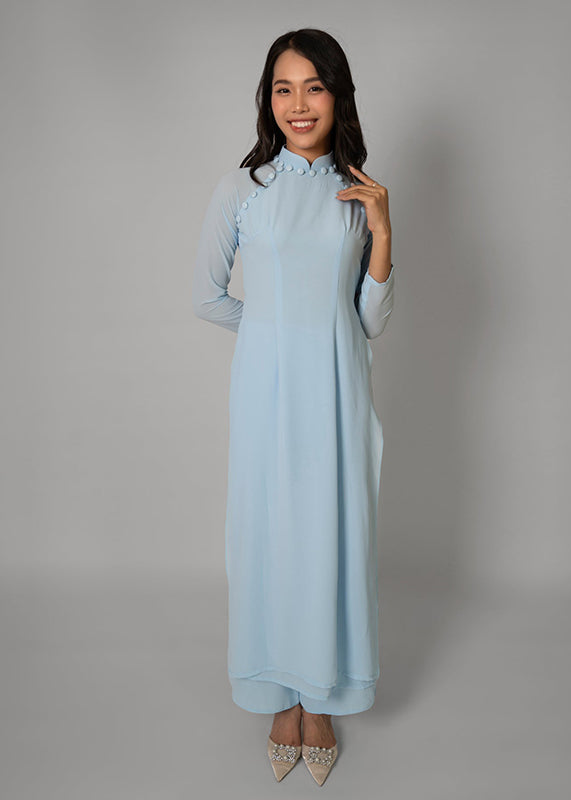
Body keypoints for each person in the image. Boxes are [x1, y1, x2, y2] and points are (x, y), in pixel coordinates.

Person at [192, 28, 395, 785]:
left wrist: (382, 230)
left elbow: (369, 319)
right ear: (267, 100)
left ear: (337, 95)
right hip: (267, 393)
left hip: (339, 390)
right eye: (284, 88)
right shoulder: (243, 189)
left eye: (314, 86)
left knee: (331, 535)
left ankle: (322, 695)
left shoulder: (359, 194)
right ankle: (279, 693)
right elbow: (207, 296)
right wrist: (272, 336)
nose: (298, 103)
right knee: (269, 535)